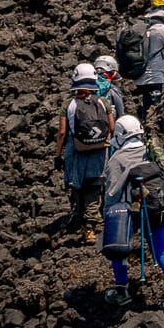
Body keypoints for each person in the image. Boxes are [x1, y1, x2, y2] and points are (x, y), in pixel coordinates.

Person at [100, 116, 164, 315]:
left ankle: (122, 290)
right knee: (162, 251)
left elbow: (111, 194)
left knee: (119, 249)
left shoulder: (117, 160)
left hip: (131, 211)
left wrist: (108, 217)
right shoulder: (150, 150)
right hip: (156, 207)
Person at [57, 64, 113, 243]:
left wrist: (58, 155)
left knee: (77, 188)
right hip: (99, 151)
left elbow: (62, 133)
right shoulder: (103, 102)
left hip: (76, 152)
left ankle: (84, 225)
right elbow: (112, 126)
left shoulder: (69, 104)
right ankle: (94, 226)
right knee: (94, 187)